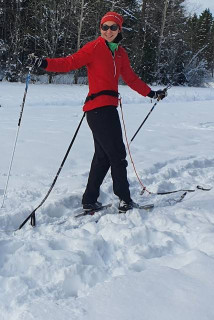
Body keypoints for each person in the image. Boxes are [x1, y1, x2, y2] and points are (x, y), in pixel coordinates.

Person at [36, 11, 167, 213]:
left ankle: (89, 200)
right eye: (104, 27)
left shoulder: (121, 54)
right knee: (117, 155)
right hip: (98, 110)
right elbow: (70, 62)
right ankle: (124, 200)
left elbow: (131, 79)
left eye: (113, 27)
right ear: (100, 29)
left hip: (108, 108)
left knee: (103, 157)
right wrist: (45, 63)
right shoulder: (94, 47)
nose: (108, 31)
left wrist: (151, 93)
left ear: (119, 29)